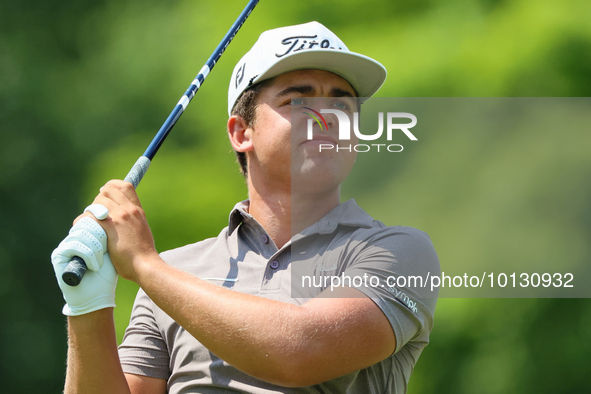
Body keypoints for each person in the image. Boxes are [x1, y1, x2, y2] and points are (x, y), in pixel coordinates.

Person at [52, 21, 440, 393]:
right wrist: (87, 307)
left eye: (343, 105)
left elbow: (300, 353)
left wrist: (144, 265)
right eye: (298, 100)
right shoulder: (176, 273)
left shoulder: (399, 252)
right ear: (241, 132)